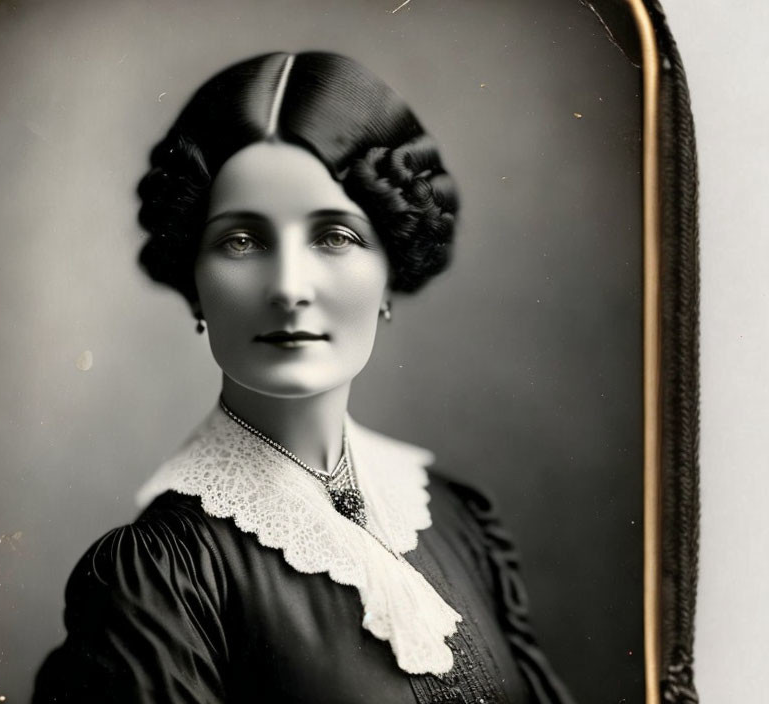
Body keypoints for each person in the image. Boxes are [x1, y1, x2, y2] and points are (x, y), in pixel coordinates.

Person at [32, 52, 575, 704]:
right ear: (196, 281)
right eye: (241, 241)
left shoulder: (460, 518)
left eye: (335, 236)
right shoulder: (159, 581)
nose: (289, 287)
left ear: (388, 270)